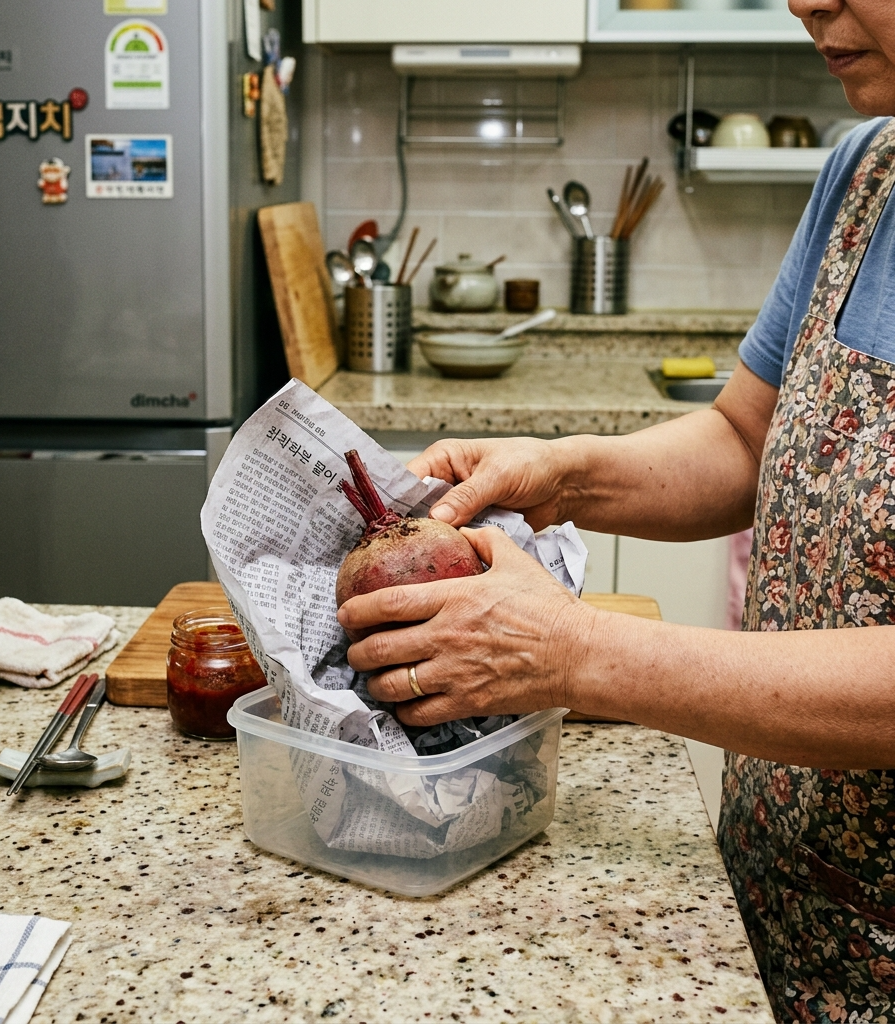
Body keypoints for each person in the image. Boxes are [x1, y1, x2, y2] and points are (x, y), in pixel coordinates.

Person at [337, 2, 895, 1020]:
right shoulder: (866, 169)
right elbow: (742, 439)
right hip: (779, 902)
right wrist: (558, 474)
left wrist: (578, 654)